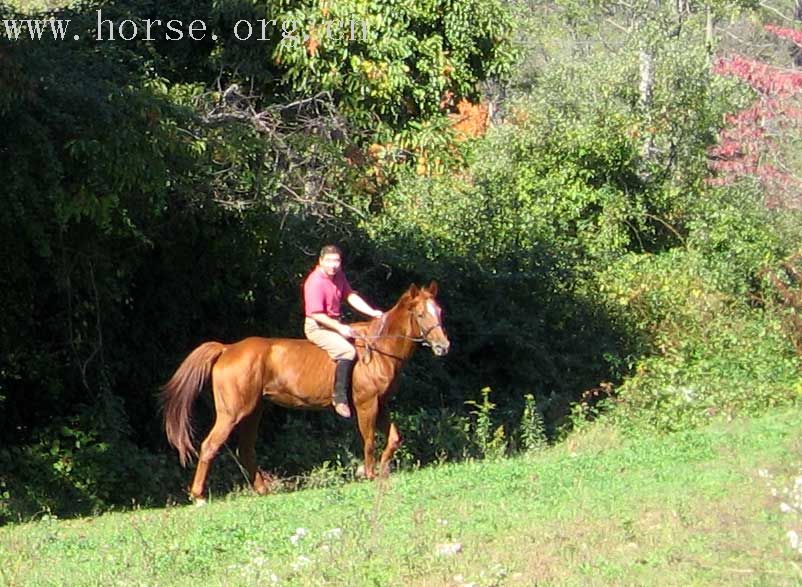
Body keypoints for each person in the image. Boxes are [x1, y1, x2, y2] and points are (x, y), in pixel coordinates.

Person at [303, 245, 383, 418]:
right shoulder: (315, 282)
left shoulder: (338, 276)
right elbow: (316, 314)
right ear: (321, 261)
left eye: (337, 261)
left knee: (363, 339)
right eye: (329, 261)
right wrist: (340, 328)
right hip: (317, 327)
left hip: (333, 324)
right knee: (347, 351)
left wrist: (372, 312)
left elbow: (350, 295)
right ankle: (339, 398)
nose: (333, 265)